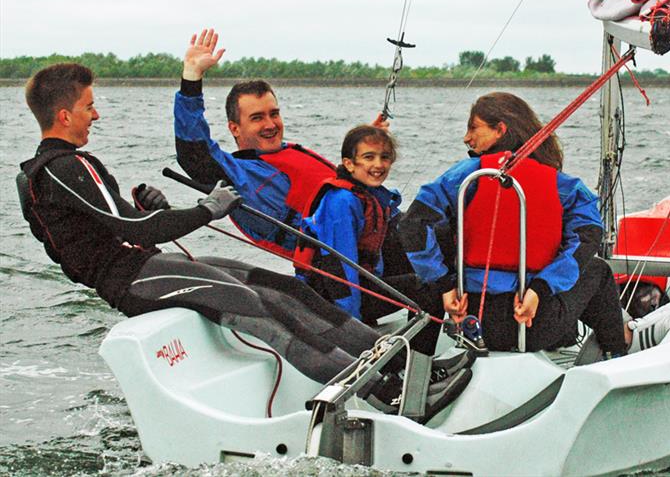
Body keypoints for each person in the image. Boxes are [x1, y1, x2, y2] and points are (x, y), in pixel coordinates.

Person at [18, 63, 470, 422]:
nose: (95, 114)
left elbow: (121, 220)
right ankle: (387, 392)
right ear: (64, 115)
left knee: (285, 289)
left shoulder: (70, 166)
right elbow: (134, 231)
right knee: (257, 306)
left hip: (146, 264)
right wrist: (205, 210)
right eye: (89, 106)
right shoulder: (62, 167)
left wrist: (144, 202)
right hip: (131, 277)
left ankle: (407, 365)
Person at [398, 92, 670, 358]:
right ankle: (619, 347)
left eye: (474, 128)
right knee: (597, 270)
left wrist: (445, 287)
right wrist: (539, 290)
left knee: (434, 255)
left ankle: (413, 364)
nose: (466, 138)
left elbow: (412, 225)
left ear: (500, 130)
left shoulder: (466, 177)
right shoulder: (564, 186)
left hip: (471, 323)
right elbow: (588, 236)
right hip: (532, 321)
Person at [173, 28, 388, 258]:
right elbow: (193, 153)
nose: (270, 124)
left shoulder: (284, 154)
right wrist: (192, 78)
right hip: (352, 257)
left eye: (273, 114)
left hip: (381, 229)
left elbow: (338, 187)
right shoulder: (240, 177)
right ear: (234, 128)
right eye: (257, 118)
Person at [295, 125, 447, 356]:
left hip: (365, 281)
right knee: (428, 287)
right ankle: (415, 363)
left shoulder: (369, 194)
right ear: (349, 164)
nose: (378, 165)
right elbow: (340, 270)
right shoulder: (341, 202)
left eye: (384, 157)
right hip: (331, 300)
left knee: (437, 247)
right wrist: (352, 327)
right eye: (369, 157)